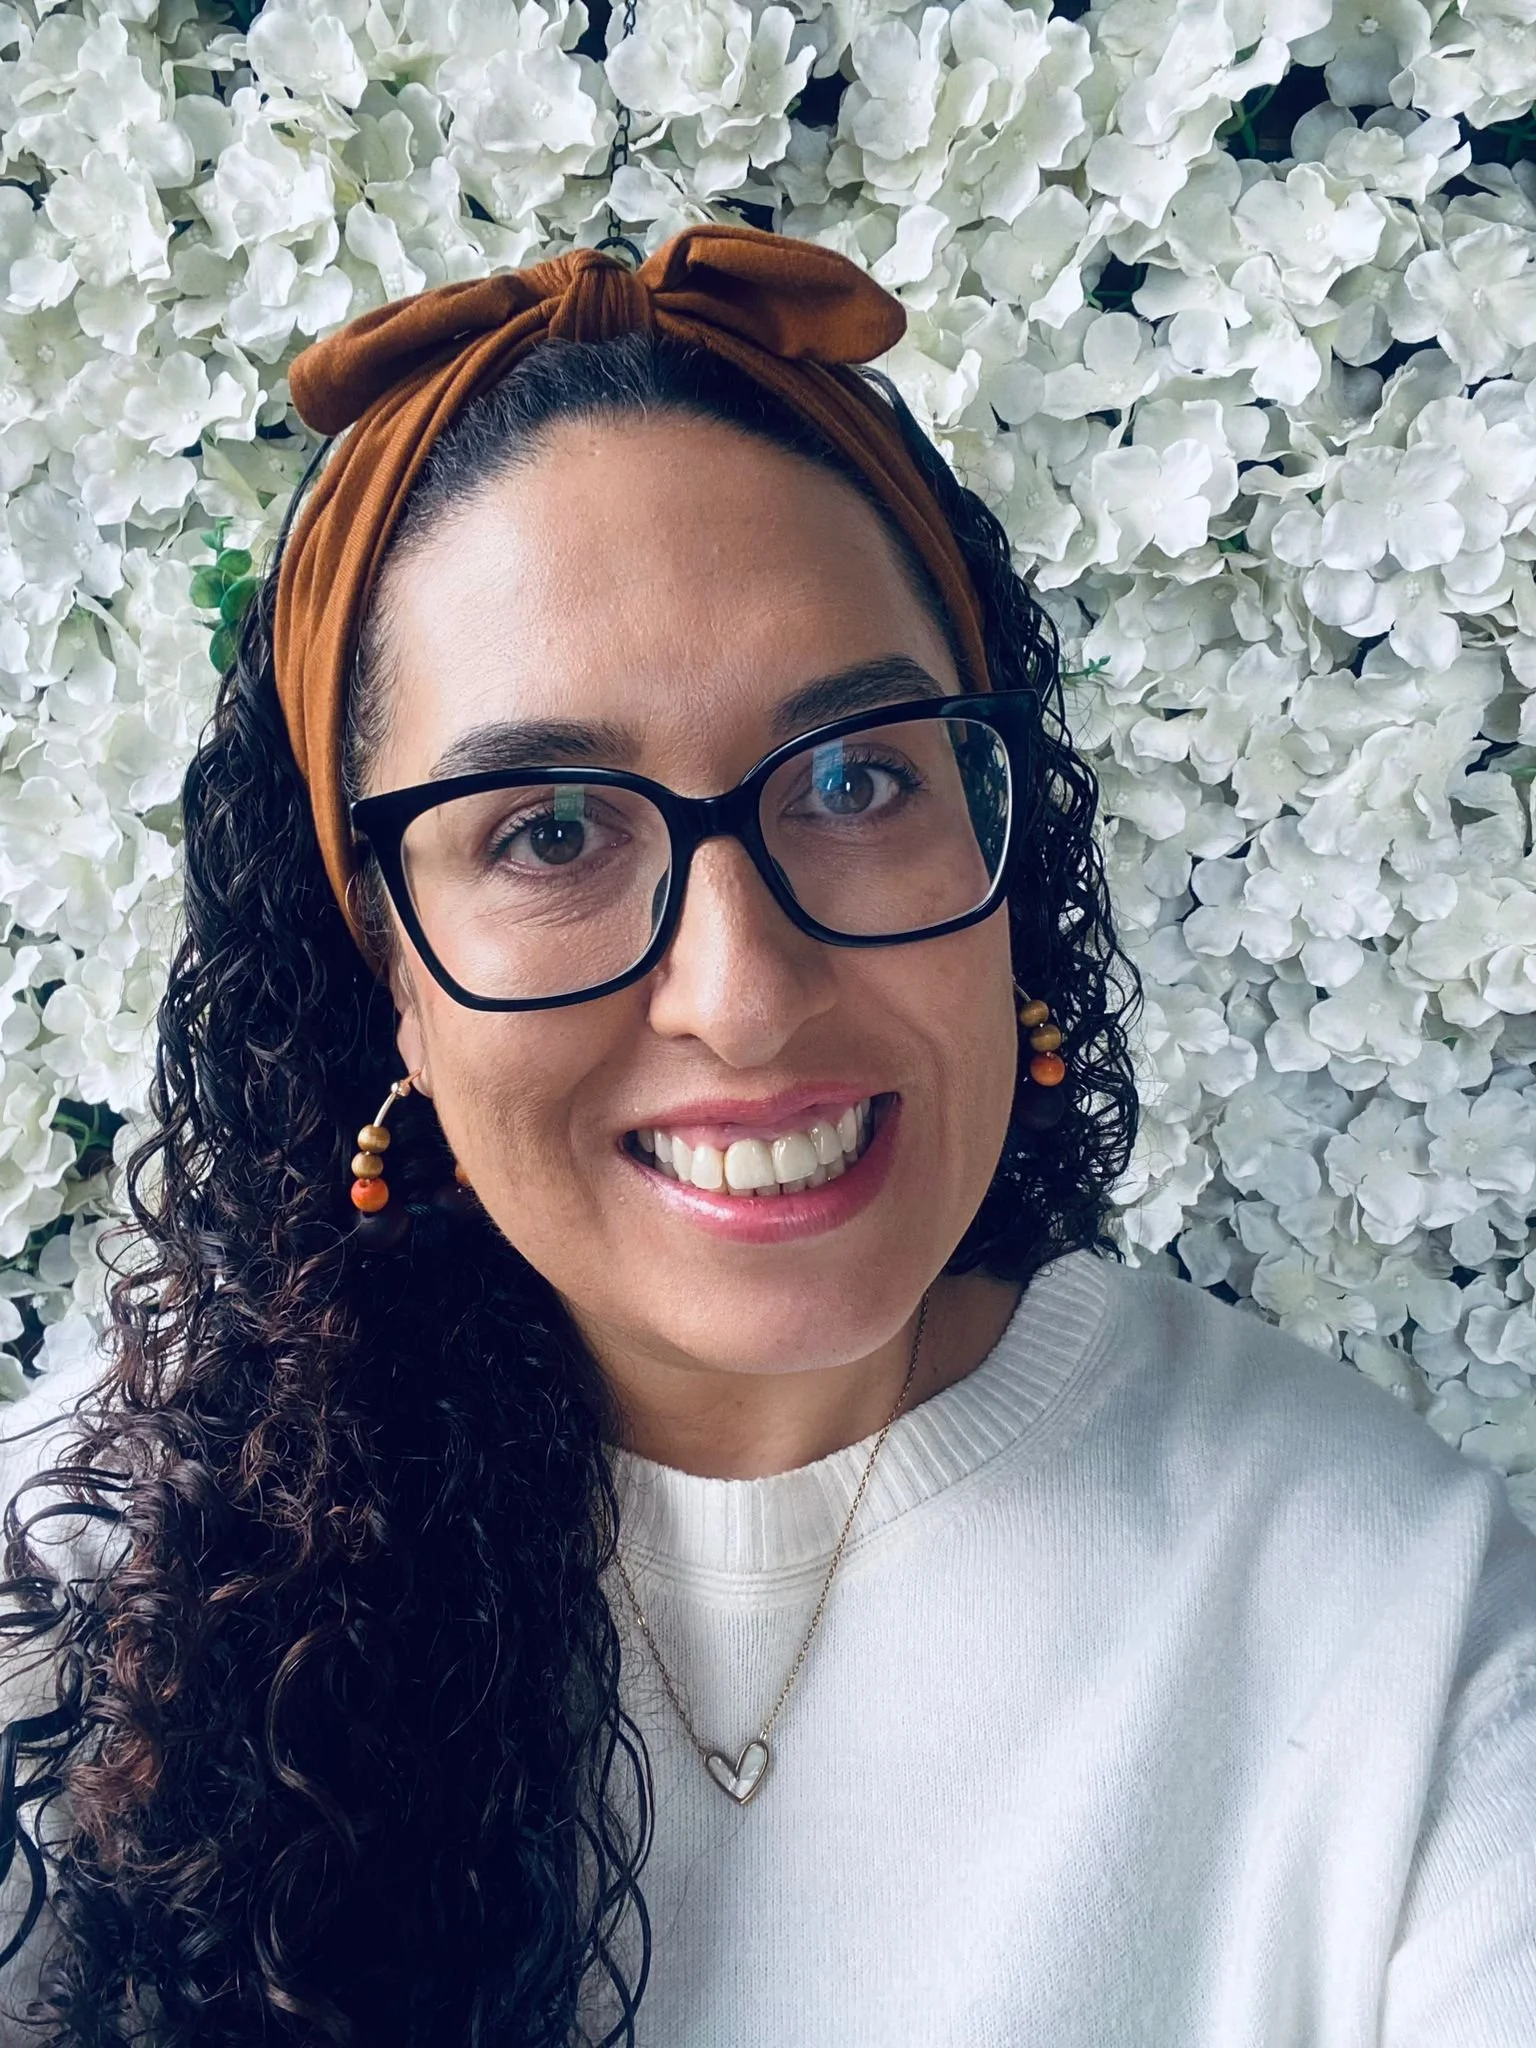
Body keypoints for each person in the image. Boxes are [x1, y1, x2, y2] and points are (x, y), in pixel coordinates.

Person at [0, 224, 1529, 2048]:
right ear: (384, 970)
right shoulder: (89, 1596)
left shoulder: (1396, 1624)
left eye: (859, 778)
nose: (743, 992)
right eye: (548, 831)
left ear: (998, 855)